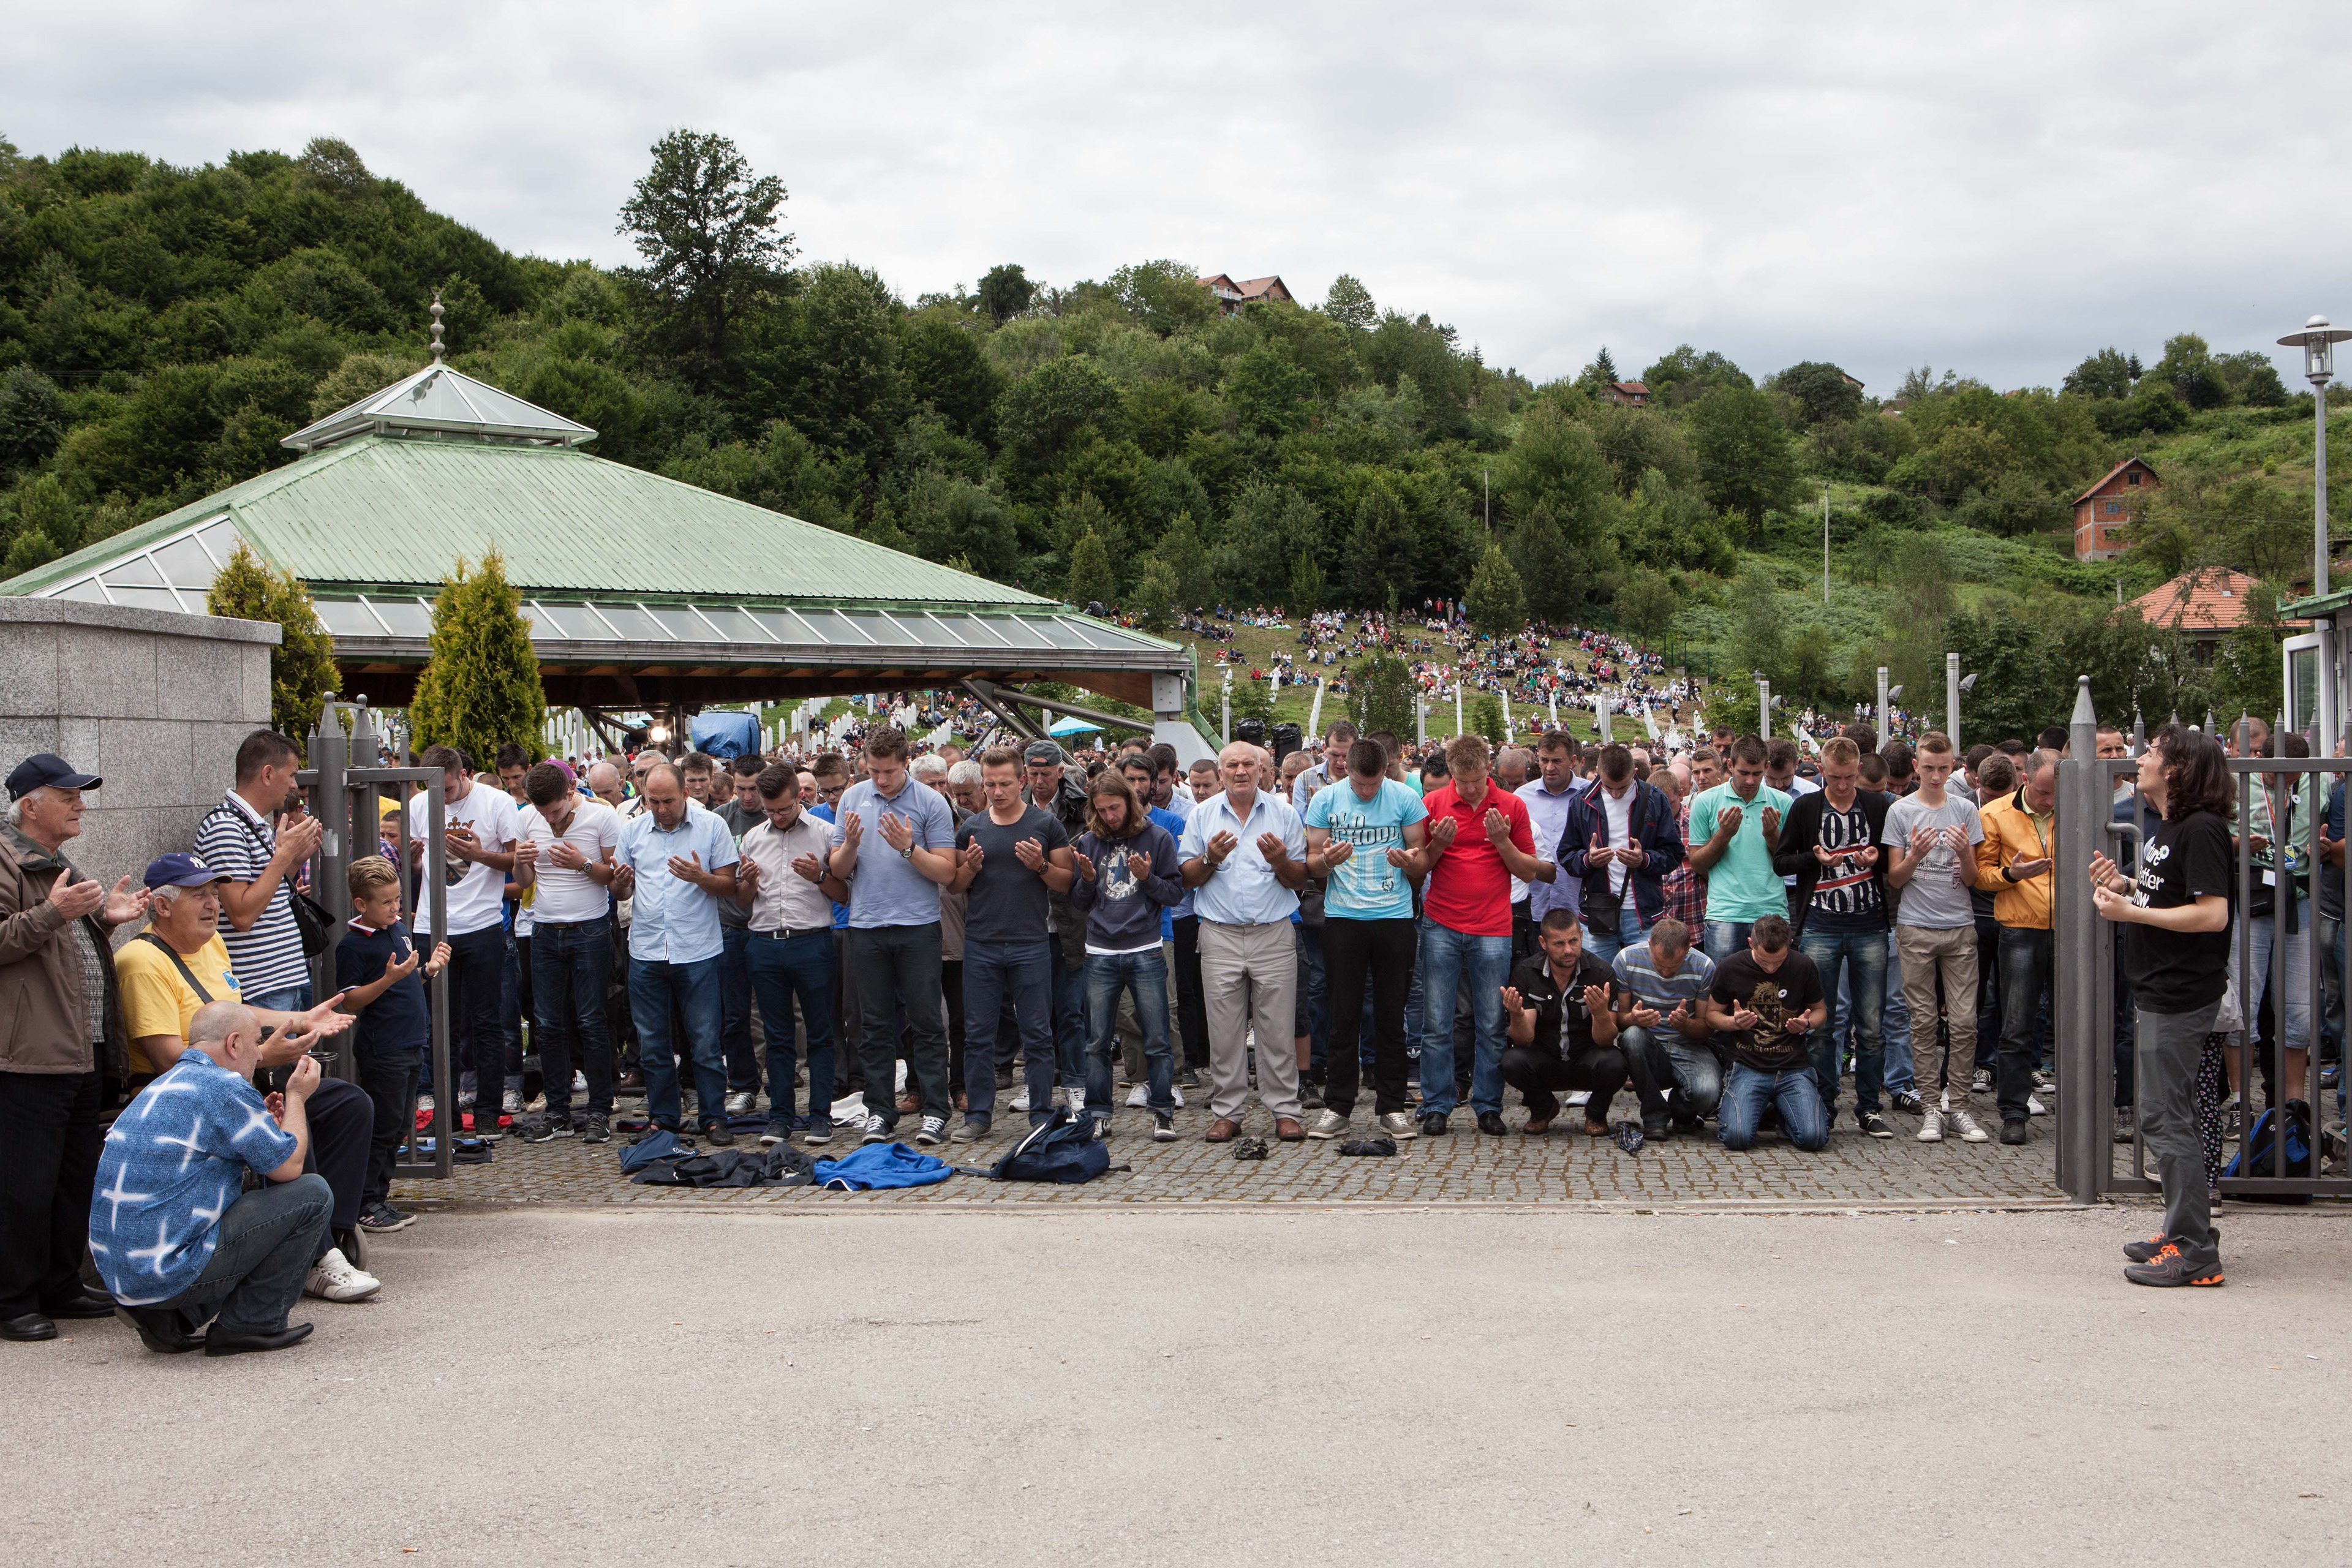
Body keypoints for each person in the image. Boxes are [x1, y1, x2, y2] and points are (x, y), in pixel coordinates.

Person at [0, 754, 148, 1344]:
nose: (81, 804)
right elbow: (15, 936)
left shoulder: (55, 860)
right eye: (68, 795)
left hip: (78, 1050)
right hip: (29, 1055)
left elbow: (58, 949)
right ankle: (13, 1300)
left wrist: (102, 923)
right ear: (30, 804)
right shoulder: (8, 857)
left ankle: (60, 1285)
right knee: (24, 1185)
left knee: (72, 1178)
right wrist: (54, 912)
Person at [94, 1000, 334, 1356]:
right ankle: (252, 1324)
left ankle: (171, 1319)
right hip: (165, 1272)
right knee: (313, 1194)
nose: (259, 1054)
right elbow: (289, 1168)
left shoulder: (163, 1084)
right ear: (234, 1044)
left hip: (123, 1275)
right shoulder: (223, 1086)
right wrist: (297, 1096)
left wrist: (261, 1127)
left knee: (234, 1203)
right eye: (256, 1043)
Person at [2088, 725, 2234, 1287]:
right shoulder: (2170, 827)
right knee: (2169, 1117)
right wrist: (2125, 886)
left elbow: (2212, 914)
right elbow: (2167, 896)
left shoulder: (2200, 829)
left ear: (2176, 770)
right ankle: (2183, 1231)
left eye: (2151, 753)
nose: (2140, 759)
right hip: (2161, 990)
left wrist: (2133, 915)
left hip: (2180, 994)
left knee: (2166, 1119)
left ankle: (2196, 1251)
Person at [1414, 734, 1554, 1138]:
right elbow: (1419, 868)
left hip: (1493, 927)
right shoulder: (1434, 804)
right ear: (1452, 773)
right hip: (1441, 922)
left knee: (1492, 1023)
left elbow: (1529, 871)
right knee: (1437, 1022)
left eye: (1477, 780)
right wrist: (1438, 844)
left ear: (1488, 768)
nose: (1471, 789)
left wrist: (1501, 841)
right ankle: (1438, 1103)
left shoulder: (1511, 806)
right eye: (1463, 781)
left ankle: (1489, 1106)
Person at [829, 726, 959, 1146]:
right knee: (873, 1024)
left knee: (926, 1022)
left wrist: (908, 848)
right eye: (874, 771)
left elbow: (947, 872)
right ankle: (880, 1110)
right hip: (866, 926)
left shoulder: (931, 801)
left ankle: (936, 1109)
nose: (882, 780)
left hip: (918, 925)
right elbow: (837, 870)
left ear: (906, 762)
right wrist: (849, 844)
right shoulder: (853, 798)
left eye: (889, 771)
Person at [1180, 741, 1310, 1141]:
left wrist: (1280, 862)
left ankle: (1285, 1111)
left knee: (1277, 1027)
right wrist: (1210, 860)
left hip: (1273, 932)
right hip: (1219, 934)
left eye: (1248, 765)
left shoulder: (1284, 814)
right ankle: (1228, 1112)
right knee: (1224, 1030)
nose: (1240, 771)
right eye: (1232, 765)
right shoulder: (1201, 815)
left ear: (1262, 771)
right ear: (1221, 774)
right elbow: (1186, 877)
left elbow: (1300, 879)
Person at [1301, 737, 1430, 1142]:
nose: (1367, 792)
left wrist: (1412, 863)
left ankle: (1392, 1106)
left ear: (1387, 772)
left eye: (1375, 784)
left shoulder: (1405, 797)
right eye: (1360, 784)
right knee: (1344, 1016)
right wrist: (1327, 861)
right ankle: (1337, 1105)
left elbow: (1422, 857)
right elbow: (1310, 861)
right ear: (1345, 771)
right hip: (1343, 918)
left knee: (1392, 1017)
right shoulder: (1326, 799)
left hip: (1394, 917)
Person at [948, 747, 1073, 1141]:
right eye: (990, 784)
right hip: (982, 943)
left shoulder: (1046, 824)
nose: (998, 791)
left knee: (1037, 1032)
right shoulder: (971, 828)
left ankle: (1040, 1112)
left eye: (1005, 783)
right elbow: (954, 884)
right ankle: (979, 1116)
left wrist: (1040, 865)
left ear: (1021, 781)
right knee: (978, 1033)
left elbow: (1066, 882)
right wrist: (969, 866)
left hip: (1031, 941)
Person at [611, 763, 741, 1143]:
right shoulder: (633, 829)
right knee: (652, 1043)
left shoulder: (711, 826)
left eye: (668, 800)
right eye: (653, 801)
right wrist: (619, 885)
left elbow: (729, 886)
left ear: (686, 793)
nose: (661, 808)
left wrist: (700, 878)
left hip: (697, 949)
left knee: (704, 1042)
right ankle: (662, 1119)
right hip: (647, 948)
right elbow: (621, 894)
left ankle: (714, 1117)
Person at [1773, 736, 1894, 1137]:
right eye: (1834, 777)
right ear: (1821, 771)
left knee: (1872, 1025)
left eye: (1848, 777)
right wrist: (1814, 859)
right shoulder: (1806, 807)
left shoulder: (1878, 805)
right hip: (1822, 924)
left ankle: (1869, 1107)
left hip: (1870, 923)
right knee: (1821, 1025)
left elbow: (1895, 861)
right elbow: (1781, 862)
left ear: (1859, 771)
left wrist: (1876, 858)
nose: (1842, 785)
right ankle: (1824, 1104)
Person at [405, 745, 521, 1128]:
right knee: (440, 1024)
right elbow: (415, 868)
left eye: (450, 789)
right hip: (431, 925)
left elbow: (517, 864)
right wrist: (413, 857)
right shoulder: (421, 804)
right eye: (435, 789)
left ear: (463, 775)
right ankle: (448, 1114)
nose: (443, 796)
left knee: (488, 1021)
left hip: (482, 924)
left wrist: (480, 853)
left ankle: (488, 1110)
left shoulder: (496, 802)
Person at [334, 858, 450, 1233]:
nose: (396, 908)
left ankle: (378, 1198)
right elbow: (350, 1000)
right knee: (381, 1127)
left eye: (398, 899)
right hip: (383, 1048)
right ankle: (365, 1202)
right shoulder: (352, 945)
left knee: (399, 1124)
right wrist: (388, 980)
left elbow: (405, 978)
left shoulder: (398, 928)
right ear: (361, 905)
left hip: (411, 1041)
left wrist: (427, 969)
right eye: (386, 902)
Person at [1883, 731, 1989, 1144]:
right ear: (1916, 766)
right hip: (1914, 926)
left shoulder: (1964, 808)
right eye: (1928, 768)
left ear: (1954, 768)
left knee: (1964, 1022)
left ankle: (1959, 1106)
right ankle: (1931, 1107)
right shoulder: (1901, 811)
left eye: (1943, 768)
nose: (1935, 775)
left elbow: (1974, 878)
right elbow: (1895, 878)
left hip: (1959, 927)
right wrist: (1915, 855)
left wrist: (1964, 853)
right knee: (1923, 1022)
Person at [1069, 771, 1185, 1140]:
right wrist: (1087, 880)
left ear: (1130, 802)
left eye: (1114, 808)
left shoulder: (1158, 837)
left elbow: (1174, 894)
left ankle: (1163, 1111)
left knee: (1157, 1037)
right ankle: (1099, 1112)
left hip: (1145, 948)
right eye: (1101, 810)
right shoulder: (1089, 841)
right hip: (1100, 950)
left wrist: (1148, 877)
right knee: (1097, 1041)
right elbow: (1079, 904)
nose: (1109, 816)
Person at [733, 763, 843, 1147]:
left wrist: (818, 877)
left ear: (800, 797)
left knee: (820, 1033)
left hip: (812, 940)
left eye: (783, 809)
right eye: (769, 810)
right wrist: (746, 883)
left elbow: (845, 894)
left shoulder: (826, 833)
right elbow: (744, 902)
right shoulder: (752, 839)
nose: (776, 817)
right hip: (764, 942)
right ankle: (780, 1116)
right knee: (775, 1036)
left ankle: (820, 1117)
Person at [511, 763, 621, 1145]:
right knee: (548, 1023)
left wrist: (583, 864)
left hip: (590, 927)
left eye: (555, 811)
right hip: (544, 928)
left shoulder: (601, 816)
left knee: (592, 1021)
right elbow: (524, 882)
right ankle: (557, 1110)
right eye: (542, 812)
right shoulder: (528, 818)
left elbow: (617, 879)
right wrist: (520, 862)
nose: (549, 818)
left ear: (571, 791)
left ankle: (599, 1109)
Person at [1502, 909, 1669, 1137]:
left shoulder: (1601, 972)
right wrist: (1517, 1015)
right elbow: (1524, 1039)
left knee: (1615, 1062)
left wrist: (1600, 1014)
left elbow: (1605, 1040)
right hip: (1545, 1058)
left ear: (1581, 936)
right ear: (1543, 943)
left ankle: (1596, 1114)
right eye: (1559, 944)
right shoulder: (1525, 972)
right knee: (1511, 1061)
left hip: (1587, 1060)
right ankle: (1543, 1108)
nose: (1568, 950)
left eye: (1573, 941)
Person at [195, 729, 323, 1015]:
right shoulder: (226, 828)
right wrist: (285, 856)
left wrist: (294, 859)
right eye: (290, 775)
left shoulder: (250, 823)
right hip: (260, 989)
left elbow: (265, 892)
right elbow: (242, 914)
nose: (293, 785)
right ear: (267, 774)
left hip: (280, 982)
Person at [1974, 749, 2057, 1144]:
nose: (2050, 800)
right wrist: (2012, 873)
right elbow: (1980, 876)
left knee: (2081, 1023)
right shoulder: (1995, 813)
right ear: (2026, 780)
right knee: (2017, 1023)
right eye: (2043, 792)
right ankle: (2012, 1111)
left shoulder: (2077, 806)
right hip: (2021, 926)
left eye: (2056, 793)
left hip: (2074, 928)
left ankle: (2083, 1109)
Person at [1706, 916, 1830, 1152]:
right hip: (1748, 1065)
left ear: (1791, 943)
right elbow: (1712, 1015)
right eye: (1764, 962)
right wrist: (1733, 1022)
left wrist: (1807, 1024)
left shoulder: (1803, 965)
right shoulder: (1730, 966)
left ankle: (1781, 1113)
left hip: (1793, 1067)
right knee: (1736, 1139)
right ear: (1751, 943)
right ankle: (1763, 1107)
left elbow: (1820, 1011)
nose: (1771, 968)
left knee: (1813, 1139)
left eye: (1779, 961)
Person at [1557, 742, 1684, 966]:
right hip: (1598, 914)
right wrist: (1588, 860)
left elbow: (1674, 854)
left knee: (1644, 985)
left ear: (1635, 773)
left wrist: (1644, 860)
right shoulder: (1582, 802)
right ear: (1598, 772)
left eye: (1623, 787)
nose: (1615, 794)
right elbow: (1566, 855)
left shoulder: (1654, 799)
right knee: (1599, 985)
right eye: (1608, 787)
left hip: (1644, 914)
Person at [1686, 736, 1791, 962]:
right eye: (1744, 773)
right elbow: (1697, 863)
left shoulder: (1783, 802)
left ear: (1767, 767)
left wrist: (1773, 836)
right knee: (1724, 987)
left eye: (1757, 773)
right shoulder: (1705, 802)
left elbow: (1789, 864)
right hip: (1725, 912)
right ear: (1730, 766)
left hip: (1772, 910)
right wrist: (1723, 836)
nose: (1751, 781)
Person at [1611, 918, 1720, 1126]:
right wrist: (1633, 1019)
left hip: (1689, 1047)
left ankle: (1680, 1109)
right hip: (1648, 1044)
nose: (1666, 972)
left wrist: (1685, 1024)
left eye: (1674, 967)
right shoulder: (1626, 959)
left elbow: (1707, 1028)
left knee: (1707, 1093)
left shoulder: (1704, 966)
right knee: (1632, 1035)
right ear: (1650, 944)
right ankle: (1655, 1116)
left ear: (1688, 950)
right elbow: (1619, 1021)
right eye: (1659, 965)